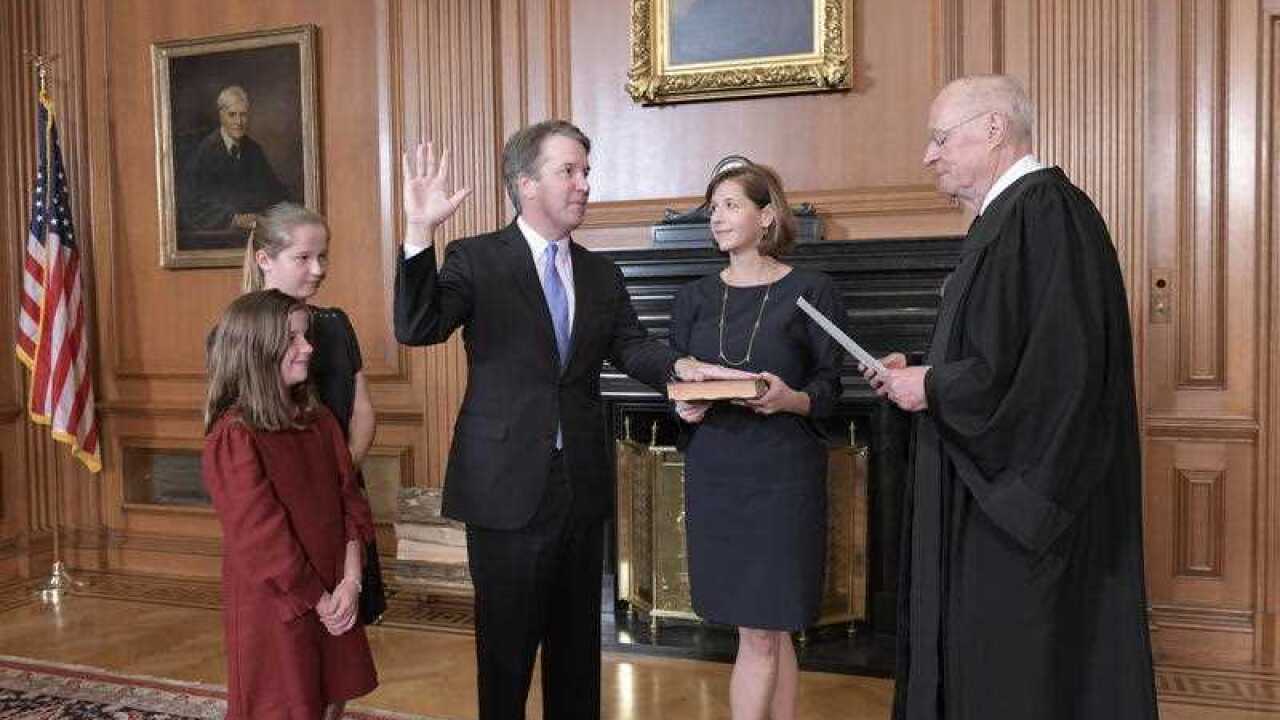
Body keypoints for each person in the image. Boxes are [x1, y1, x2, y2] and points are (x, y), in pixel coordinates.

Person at [393, 121, 746, 720]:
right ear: (527, 183)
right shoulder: (476, 258)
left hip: (579, 484)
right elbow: (417, 326)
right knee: (504, 656)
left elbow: (631, 346)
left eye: (587, 171)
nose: (585, 183)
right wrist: (419, 231)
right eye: (570, 171)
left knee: (577, 653)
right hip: (503, 486)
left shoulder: (600, 273)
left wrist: (678, 368)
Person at [867, 74, 1158, 719]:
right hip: (988, 498)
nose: (928, 156)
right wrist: (920, 372)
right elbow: (999, 353)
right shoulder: (1010, 217)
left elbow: (1058, 375)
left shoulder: (1045, 212)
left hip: (1023, 515)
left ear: (992, 130)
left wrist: (936, 386)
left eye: (940, 138)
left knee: (1021, 675)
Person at [669, 161, 846, 720]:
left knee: (766, 632)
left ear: (766, 214)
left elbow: (831, 388)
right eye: (713, 206)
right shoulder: (693, 297)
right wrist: (688, 407)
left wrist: (788, 398)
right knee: (770, 631)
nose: (717, 217)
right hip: (717, 474)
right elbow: (675, 385)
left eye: (731, 205)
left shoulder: (811, 290)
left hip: (782, 476)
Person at [202, 289, 377, 720]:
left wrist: (351, 583)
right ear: (258, 350)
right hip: (279, 603)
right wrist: (319, 600)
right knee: (283, 705)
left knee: (329, 698)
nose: (309, 348)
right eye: (295, 339)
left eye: (306, 336)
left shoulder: (319, 421)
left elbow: (349, 501)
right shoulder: (235, 435)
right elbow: (262, 537)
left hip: (336, 589)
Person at [242, 201, 383, 623]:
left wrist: (338, 476)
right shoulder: (238, 331)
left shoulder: (336, 325)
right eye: (303, 258)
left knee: (346, 628)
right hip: (284, 509)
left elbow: (362, 411)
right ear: (265, 259)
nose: (318, 269)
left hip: (341, 498)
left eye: (322, 256)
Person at [179, 85, 290, 233]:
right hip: (217, 236)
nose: (239, 122)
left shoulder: (254, 150)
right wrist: (235, 219)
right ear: (221, 115)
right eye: (232, 115)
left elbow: (275, 192)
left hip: (253, 233)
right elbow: (193, 206)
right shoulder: (204, 152)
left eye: (243, 115)